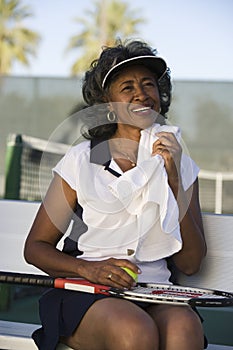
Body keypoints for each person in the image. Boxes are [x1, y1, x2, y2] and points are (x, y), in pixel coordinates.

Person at [24, 39, 207, 350]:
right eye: (127, 87)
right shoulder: (82, 159)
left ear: (159, 97)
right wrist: (89, 269)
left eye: (148, 84)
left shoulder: (181, 165)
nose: (141, 93)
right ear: (108, 105)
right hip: (86, 291)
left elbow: (190, 263)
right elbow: (35, 247)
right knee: (134, 331)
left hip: (154, 292)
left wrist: (174, 176)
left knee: (184, 328)